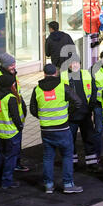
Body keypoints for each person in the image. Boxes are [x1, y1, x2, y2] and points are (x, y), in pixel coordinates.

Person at [29, 64, 84, 194]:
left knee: (48, 157)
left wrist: (44, 117)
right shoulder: (63, 87)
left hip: (46, 130)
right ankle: (68, 184)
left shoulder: (37, 89)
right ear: (56, 73)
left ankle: (48, 185)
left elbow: (32, 109)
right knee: (67, 156)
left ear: (44, 74)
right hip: (62, 128)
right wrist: (67, 113)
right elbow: (78, 102)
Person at [60, 55, 102, 173]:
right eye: (72, 63)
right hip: (71, 115)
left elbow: (94, 91)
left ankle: (92, 163)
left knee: (89, 139)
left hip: (85, 114)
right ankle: (72, 163)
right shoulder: (63, 76)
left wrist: (91, 106)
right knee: (70, 140)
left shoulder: (87, 74)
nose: (75, 65)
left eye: (77, 62)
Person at [0, 53, 30, 172]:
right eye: (12, 65)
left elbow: (17, 92)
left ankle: (16, 163)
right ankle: (6, 172)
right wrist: (7, 112)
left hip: (16, 116)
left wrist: (21, 107)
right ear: (5, 65)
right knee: (5, 148)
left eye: (14, 63)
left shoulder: (12, 74)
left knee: (16, 145)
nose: (14, 66)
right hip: (7, 120)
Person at [0, 74, 27, 189]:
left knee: (1, 156)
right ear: (10, 85)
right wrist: (20, 126)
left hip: (0, 132)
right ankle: (7, 181)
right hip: (11, 133)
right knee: (10, 158)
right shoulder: (10, 98)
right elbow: (15, 117)